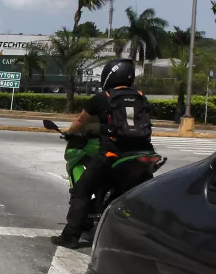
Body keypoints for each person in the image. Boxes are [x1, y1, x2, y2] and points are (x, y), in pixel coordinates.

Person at [52, 58, 154, 248]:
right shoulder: (141, 96)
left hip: (113, 154)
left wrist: (68, 133)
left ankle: (70, 236)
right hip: (144, 153)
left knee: (81, 191)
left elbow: (81, 121)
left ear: (109, 75)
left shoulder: (103, 97)